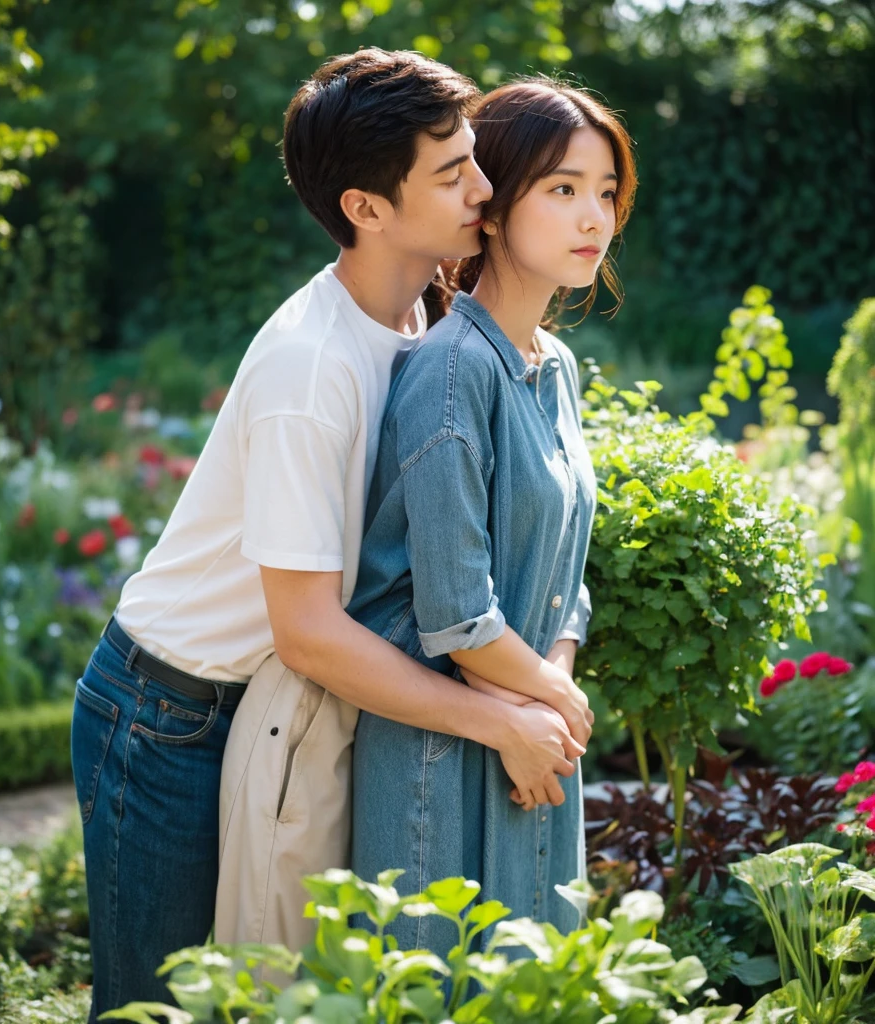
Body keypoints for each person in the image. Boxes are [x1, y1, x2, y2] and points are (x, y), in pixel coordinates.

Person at [70, 51, 592, 1017]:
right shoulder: (311, 370)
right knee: (164, 1004)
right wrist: (506, 722)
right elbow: (308, 628)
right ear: (367, 207)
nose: (485, 190)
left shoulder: (430, 321)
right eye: (453, 174)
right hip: (170, 715)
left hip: (292, 706)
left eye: (475, 161)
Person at [349, 77, 637, 958]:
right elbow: (457, 615)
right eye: (563, 188)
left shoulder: (556, 366)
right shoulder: (450, 371)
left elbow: (563, 582)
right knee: (445, 990)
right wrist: (559, 705)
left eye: (606, 192)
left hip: (534, 739)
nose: (595, 215)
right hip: (441, 759)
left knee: (539, 982)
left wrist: (554, 694)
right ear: (496, 200)